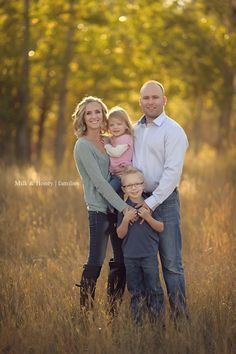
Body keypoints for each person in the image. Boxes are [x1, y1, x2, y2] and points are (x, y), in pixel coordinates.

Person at [133, 80, 189, 319]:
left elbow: (172, 174)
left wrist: (151, 203)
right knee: (141, 262)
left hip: (163, 203)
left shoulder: (173, 130)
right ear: (140, 101)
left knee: (171, 264)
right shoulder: (134, 129)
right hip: (137, 201)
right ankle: (149, 319)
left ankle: (180, 320)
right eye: (146, 98)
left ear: (164, 100)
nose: (150, 102)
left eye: (155, 97)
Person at [72, 96, 131, 311]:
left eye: (98, 112)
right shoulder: (82, 146)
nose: (94, 116)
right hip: (98, 211)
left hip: (116, 208)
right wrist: (125, 207)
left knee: (122, 260)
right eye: (89, 113)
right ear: (83, 118)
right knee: (95, 260)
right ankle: (85, 312)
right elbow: (99, 182)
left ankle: (112, 311)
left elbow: (120, 165)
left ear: (103, 115)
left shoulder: (109, 141)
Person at [117, 167, 164, 324]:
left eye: (137, 184)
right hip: (130, 258)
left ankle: (157, 324)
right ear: (123, 189)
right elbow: (120, 234)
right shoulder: (124, 209)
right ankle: (139, 325)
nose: (134, 187)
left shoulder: (150, 204)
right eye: (129, 185)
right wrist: (125, 219)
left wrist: (148, 217)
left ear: (143, 185)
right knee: (136, 291)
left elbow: (161, 227)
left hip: (149, 255)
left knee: (154, 289)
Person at [104, 106, 133, 194]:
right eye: (112, 125)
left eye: (119, 124)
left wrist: (106, 144)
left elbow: (116, 153)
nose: (115, 127)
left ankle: (112, 208)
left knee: (109, 191)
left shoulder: (125, 138)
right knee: (117, 194)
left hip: (122, 175)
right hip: (114, 173)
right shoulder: (113, 138)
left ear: (126, 126)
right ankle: (115, 208)